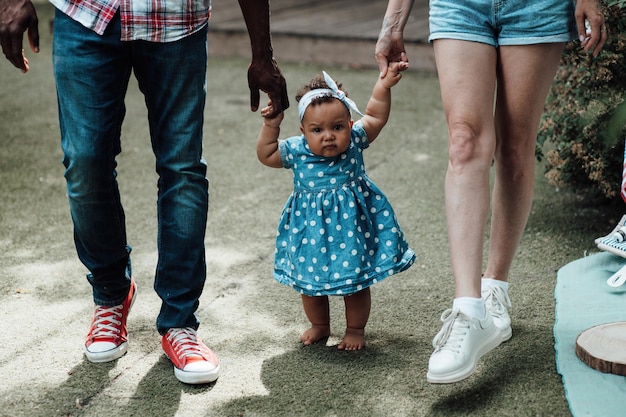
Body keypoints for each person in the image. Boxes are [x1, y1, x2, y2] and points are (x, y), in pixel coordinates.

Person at [0, 0, 288, 385]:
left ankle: (179, 322)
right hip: (87, 14)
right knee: (85, 161)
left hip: (176, 21)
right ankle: (111, 293)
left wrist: (262, 53)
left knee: (182, 168)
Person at [375, 0, 607, 383]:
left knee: (515, 147)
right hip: (459, 5)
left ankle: (494, 287)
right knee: (464, 141)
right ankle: (469, 309)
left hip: (537, 6)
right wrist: (393, 19)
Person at [256, 64, 416, 350]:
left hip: (352, 230)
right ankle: (320, 325)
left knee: (355, 284)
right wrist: (271, 125)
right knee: (309, 286)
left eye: (337, 127)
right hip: (311, 233)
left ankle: (355, 329)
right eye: (317, 129)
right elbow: (267, 153)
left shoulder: (355, 141)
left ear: (350, 125)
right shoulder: (297, 150)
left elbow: (377, 115)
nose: (328, 135)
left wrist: (384, 85)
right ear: (303, 131)